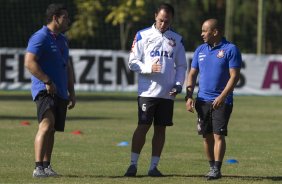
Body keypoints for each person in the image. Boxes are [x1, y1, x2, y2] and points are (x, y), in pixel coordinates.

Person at [124, 3, 187, 177]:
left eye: (166, 21)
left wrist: (178, 84)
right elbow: (132, 62)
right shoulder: (142, 35)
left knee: (161, 129)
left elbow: (181, 65)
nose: (163, 24)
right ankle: (133, 164)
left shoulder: (177, 39)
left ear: (171, 20)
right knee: (142, 126)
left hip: (167, 94)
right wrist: (148, 67)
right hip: (147, 92)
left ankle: (153, 167)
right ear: (155, 17)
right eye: (160, 20)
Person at [185, 18, 242, 180]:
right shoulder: (200, 50)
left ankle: (217, 169)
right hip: (202, 101)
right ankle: (212, 167)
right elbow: (192, 74)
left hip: (222, 102)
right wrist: (189, 96)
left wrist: (222, 97)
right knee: (206, 136)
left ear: (215, 32)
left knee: (218, 135)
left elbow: (234, 77)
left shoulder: (231, 49)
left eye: (205, 30)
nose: (202, 34)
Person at [24, 3, 76, 178]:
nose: (68, 20)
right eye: (65, 17)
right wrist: (47, 80)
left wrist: (72, 91)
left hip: (60, 91)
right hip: (44, 89)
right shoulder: (40, 37)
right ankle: (38, 167)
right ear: (55, 18)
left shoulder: (62, 39)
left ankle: (46, 166)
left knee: (52, 128)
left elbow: (67, 67)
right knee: (46, 125)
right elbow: (29, 62)